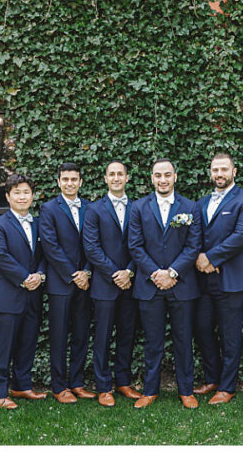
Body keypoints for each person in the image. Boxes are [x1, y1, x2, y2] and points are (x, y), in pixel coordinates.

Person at [127, 158, 202, 409]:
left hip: (181, 285)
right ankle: (150, 390)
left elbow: (193, 246)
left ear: (175, 177)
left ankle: (186, 390)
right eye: (158, 175)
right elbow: (135, 246)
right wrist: (155, 274)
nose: (163, 179)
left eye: (167, 175)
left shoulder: (190, 207)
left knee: (183, 340)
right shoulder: (138, 208)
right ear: (152, 178)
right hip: (149, 286)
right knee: (153, 341)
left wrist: (172, 273)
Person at [192, 152, 243, 405]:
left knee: (230, 334)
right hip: (204, 279)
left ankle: (227, 386)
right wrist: (200, 257)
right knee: (201, 327)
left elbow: (242, 235)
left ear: (234, 171)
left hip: (232, 279)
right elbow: (195, 235)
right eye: (215, 170)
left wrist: (211, 258)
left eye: (224, 169)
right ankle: (212, 377)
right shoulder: (201, 203)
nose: (219, 174)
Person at [82, 161, 141, 406]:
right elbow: (91, 247)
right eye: (111, 174)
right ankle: (104, 386)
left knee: (127, 334)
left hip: (132, 282)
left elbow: (143, 244)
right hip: (105, 284)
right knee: (103, 336)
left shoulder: (139, 208)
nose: (116, 178)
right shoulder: (94, 210)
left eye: (120, 174)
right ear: (105, 179)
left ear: (127, 178)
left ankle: (124, 382)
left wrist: (129, 271)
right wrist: (115, 273)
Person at [0, 174, 47, 409]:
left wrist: (40, 276)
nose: (22, 197)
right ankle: (0, 392)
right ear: (8, 196)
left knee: (28, 342)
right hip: (9, 294)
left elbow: (45, 255)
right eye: (17, 193)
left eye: (26, 192)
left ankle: (22, 386)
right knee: (4, 346)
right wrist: (24, 278)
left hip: (34, 294)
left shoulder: (39, 223)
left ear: (32, 196)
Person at [38, 162, 92, 404]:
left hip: (87, 282)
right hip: (62, 283)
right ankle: (59, 386)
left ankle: (77, 383)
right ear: (58, 182)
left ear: (80, 182)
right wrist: (74, 274)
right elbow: (51, 246)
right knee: (59, 336)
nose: (70, 183)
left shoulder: (90, 208)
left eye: (74, 179)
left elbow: (95, 244)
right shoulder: (49, 209)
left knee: (81, 334)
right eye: (65, 179)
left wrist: (87, 272)